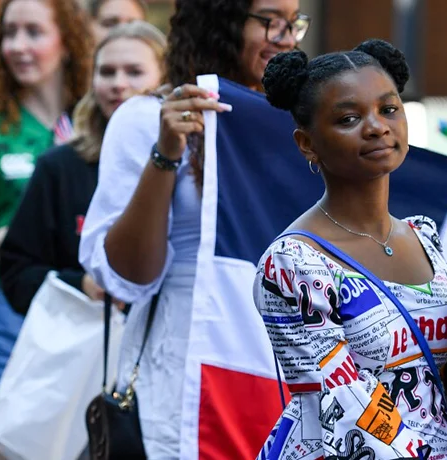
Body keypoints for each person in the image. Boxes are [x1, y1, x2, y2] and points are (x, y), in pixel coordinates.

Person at [78, 0, 307, 456]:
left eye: (293, 22)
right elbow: (127, 278)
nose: (285, 37)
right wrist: (166, 153)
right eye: (269, 21)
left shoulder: (300, 124)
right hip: (187, 360)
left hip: (288, 360)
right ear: (218, 22)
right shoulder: (149, 117)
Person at [255, 39, 447, 460]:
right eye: (349, 118)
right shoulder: (292, 264)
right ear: (307, 144)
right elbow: (342, 402)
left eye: (389, 109)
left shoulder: (426, 238)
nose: (376, 126)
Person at [0, 21, 166, 315]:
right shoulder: (59, 167)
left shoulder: (189, 168)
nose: (118, 83)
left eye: (134, 72)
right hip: (79, 346)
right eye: (106, 72)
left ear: (165, 79)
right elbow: (17, 273)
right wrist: (82, 285)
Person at [0, 0, 92, 385]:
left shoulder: (93, 119)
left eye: (33, 32)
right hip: (8, 303)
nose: (18, 46)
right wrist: (13, 235)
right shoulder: (3, 127)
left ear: (67, 41)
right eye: (9, 33)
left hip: (82, 304)